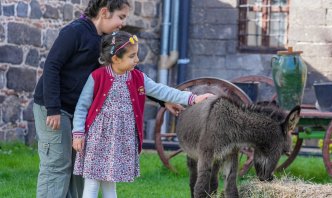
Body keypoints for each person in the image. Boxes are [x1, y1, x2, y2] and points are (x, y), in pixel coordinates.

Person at [32, 0, 182, 197]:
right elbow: (52, 66)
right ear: (104, 12)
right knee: (57, 165)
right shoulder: (74, 32)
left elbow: (129, 78)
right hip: (53, 108)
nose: (122, 23)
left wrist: (163, 100)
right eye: (121, 16)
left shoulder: (106, 42)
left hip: (78, 112)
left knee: (78, 169)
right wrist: (52, 108)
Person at [71, 31, 213, 197]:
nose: (137, 60)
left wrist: (192, 98)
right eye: (132, 56)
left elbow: (161, 91)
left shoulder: (138, 78)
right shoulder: (97, 77)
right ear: (116, 59)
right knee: (92, 182)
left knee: (110, 182)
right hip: (98, 138)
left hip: (119, 139)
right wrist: (78, 133)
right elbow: (82, 107)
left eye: (136, 55)